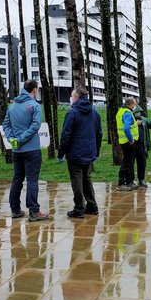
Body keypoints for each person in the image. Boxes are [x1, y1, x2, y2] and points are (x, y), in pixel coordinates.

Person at [3, 80, 49, 221]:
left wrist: (13, 139)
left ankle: (15, 209)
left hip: (17, 151)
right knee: (32, 180)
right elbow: (35, 126)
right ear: (34, 90)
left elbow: (6, 125)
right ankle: (34, 211)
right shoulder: (35, 106)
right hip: (32, 149)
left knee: (17, 179)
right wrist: (22, 139)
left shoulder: (12, 107)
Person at [58, 87, 102, 218]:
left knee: (76, 179)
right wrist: (96, 152)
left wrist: (61, 153)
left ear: (77, 97)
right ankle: (92, 206)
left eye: (72, 96)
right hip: (89, 152)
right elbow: (99, 134)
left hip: (75, 152)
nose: (71, 98)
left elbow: (66, 135)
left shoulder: (72, 113)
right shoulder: (95, 113)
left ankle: (79, 208)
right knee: (87, 178)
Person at [116, 97, 139, 191]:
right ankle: (121, 183)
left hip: (124, 141)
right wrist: (131, 139)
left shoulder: (121, 111)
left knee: (129, 162)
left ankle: (129, 182)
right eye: (135, 104)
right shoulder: (127, 113)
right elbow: (126, 128)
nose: (135, 106)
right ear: (131, 104)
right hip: (128, 142)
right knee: (126, 162)